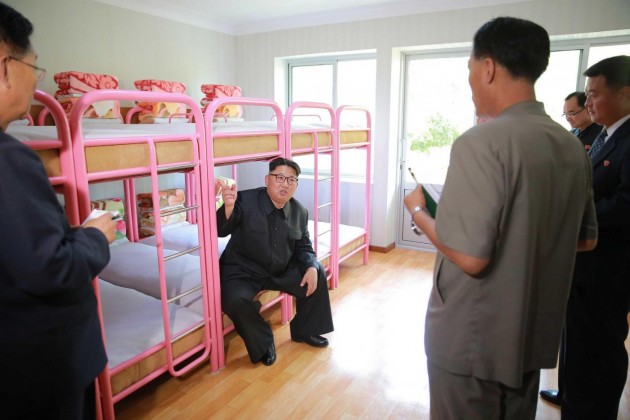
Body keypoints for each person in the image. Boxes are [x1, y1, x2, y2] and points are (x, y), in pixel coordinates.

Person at [404, 17, 598, 419]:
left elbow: (471, 257)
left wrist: (419, 212)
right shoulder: (571, 146)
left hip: (472, 339)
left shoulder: (481, 142)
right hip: (530, 333)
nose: (470, 81)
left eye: (470, 69)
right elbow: (585, 239)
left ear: (488, 67)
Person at [0, 3, 117, 419]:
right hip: (39, 367)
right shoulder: (9, 159)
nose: (37, 79)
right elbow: (51, 267)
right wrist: (96, 234)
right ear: (5, 65)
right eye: (34, 66)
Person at [539, 55, 630, 419]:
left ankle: (594, 410)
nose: (588, 101)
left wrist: (572, 215)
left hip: (609, 267)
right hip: (586, 263)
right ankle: (572, 397)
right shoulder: (608, 135)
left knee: (602, 345)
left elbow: (625, 204)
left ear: (625, 93)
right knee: (577, 338)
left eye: (594, 94)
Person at [217, 157, 334, 366]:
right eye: (279, 177)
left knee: (316, 270)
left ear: (296, 185)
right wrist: (228, 206)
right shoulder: (244, 200)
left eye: (291, 180)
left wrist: (311, 265)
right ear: (267, 179)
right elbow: (221, 230)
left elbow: (304, 247)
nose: (285, 184)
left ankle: (305, 330)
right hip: (243, 270)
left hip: (280, 268)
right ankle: (264, 341)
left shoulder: (299, 212)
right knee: (234, 300)